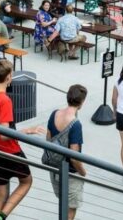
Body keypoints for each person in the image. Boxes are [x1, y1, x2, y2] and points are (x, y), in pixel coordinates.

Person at [0, 60, 46, 220]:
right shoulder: (4, 100)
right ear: (9, 77)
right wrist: (28, 130)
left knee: (0, 192)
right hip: (9, 151)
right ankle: (1, 217)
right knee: (26, 181)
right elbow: (4, 133)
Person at [46, 84, 88, 220]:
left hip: (55, 169)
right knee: (70, 210)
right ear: (81, 103)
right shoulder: (75, 124)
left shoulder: (54, 114)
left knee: (63, 204)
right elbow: (74, 157)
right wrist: (83, 172)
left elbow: (48, 140)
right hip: (70, 174)